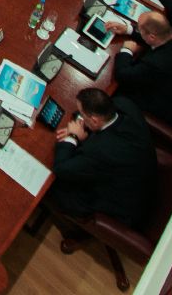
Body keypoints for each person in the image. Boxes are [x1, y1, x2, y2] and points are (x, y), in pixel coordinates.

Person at [50, 89, 156, 229]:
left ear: (94, 120)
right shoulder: (124, 105)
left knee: (53, 187)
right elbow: (95, 123)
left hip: (125, 206)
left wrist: (72, 137)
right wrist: (81, 126)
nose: (80, 115)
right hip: (140, 177)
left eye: (82, 114)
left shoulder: (100, 151)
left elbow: (61, 168)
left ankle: (69, 230)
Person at [104, 11, 172, 132]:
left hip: (171, 111)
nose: (137, 29)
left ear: (151, 37)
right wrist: (128, 30)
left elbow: (122, 75)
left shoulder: (156, 64)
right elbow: (156, 37)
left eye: (139, 29)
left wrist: (126, 50)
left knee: (113, 93)